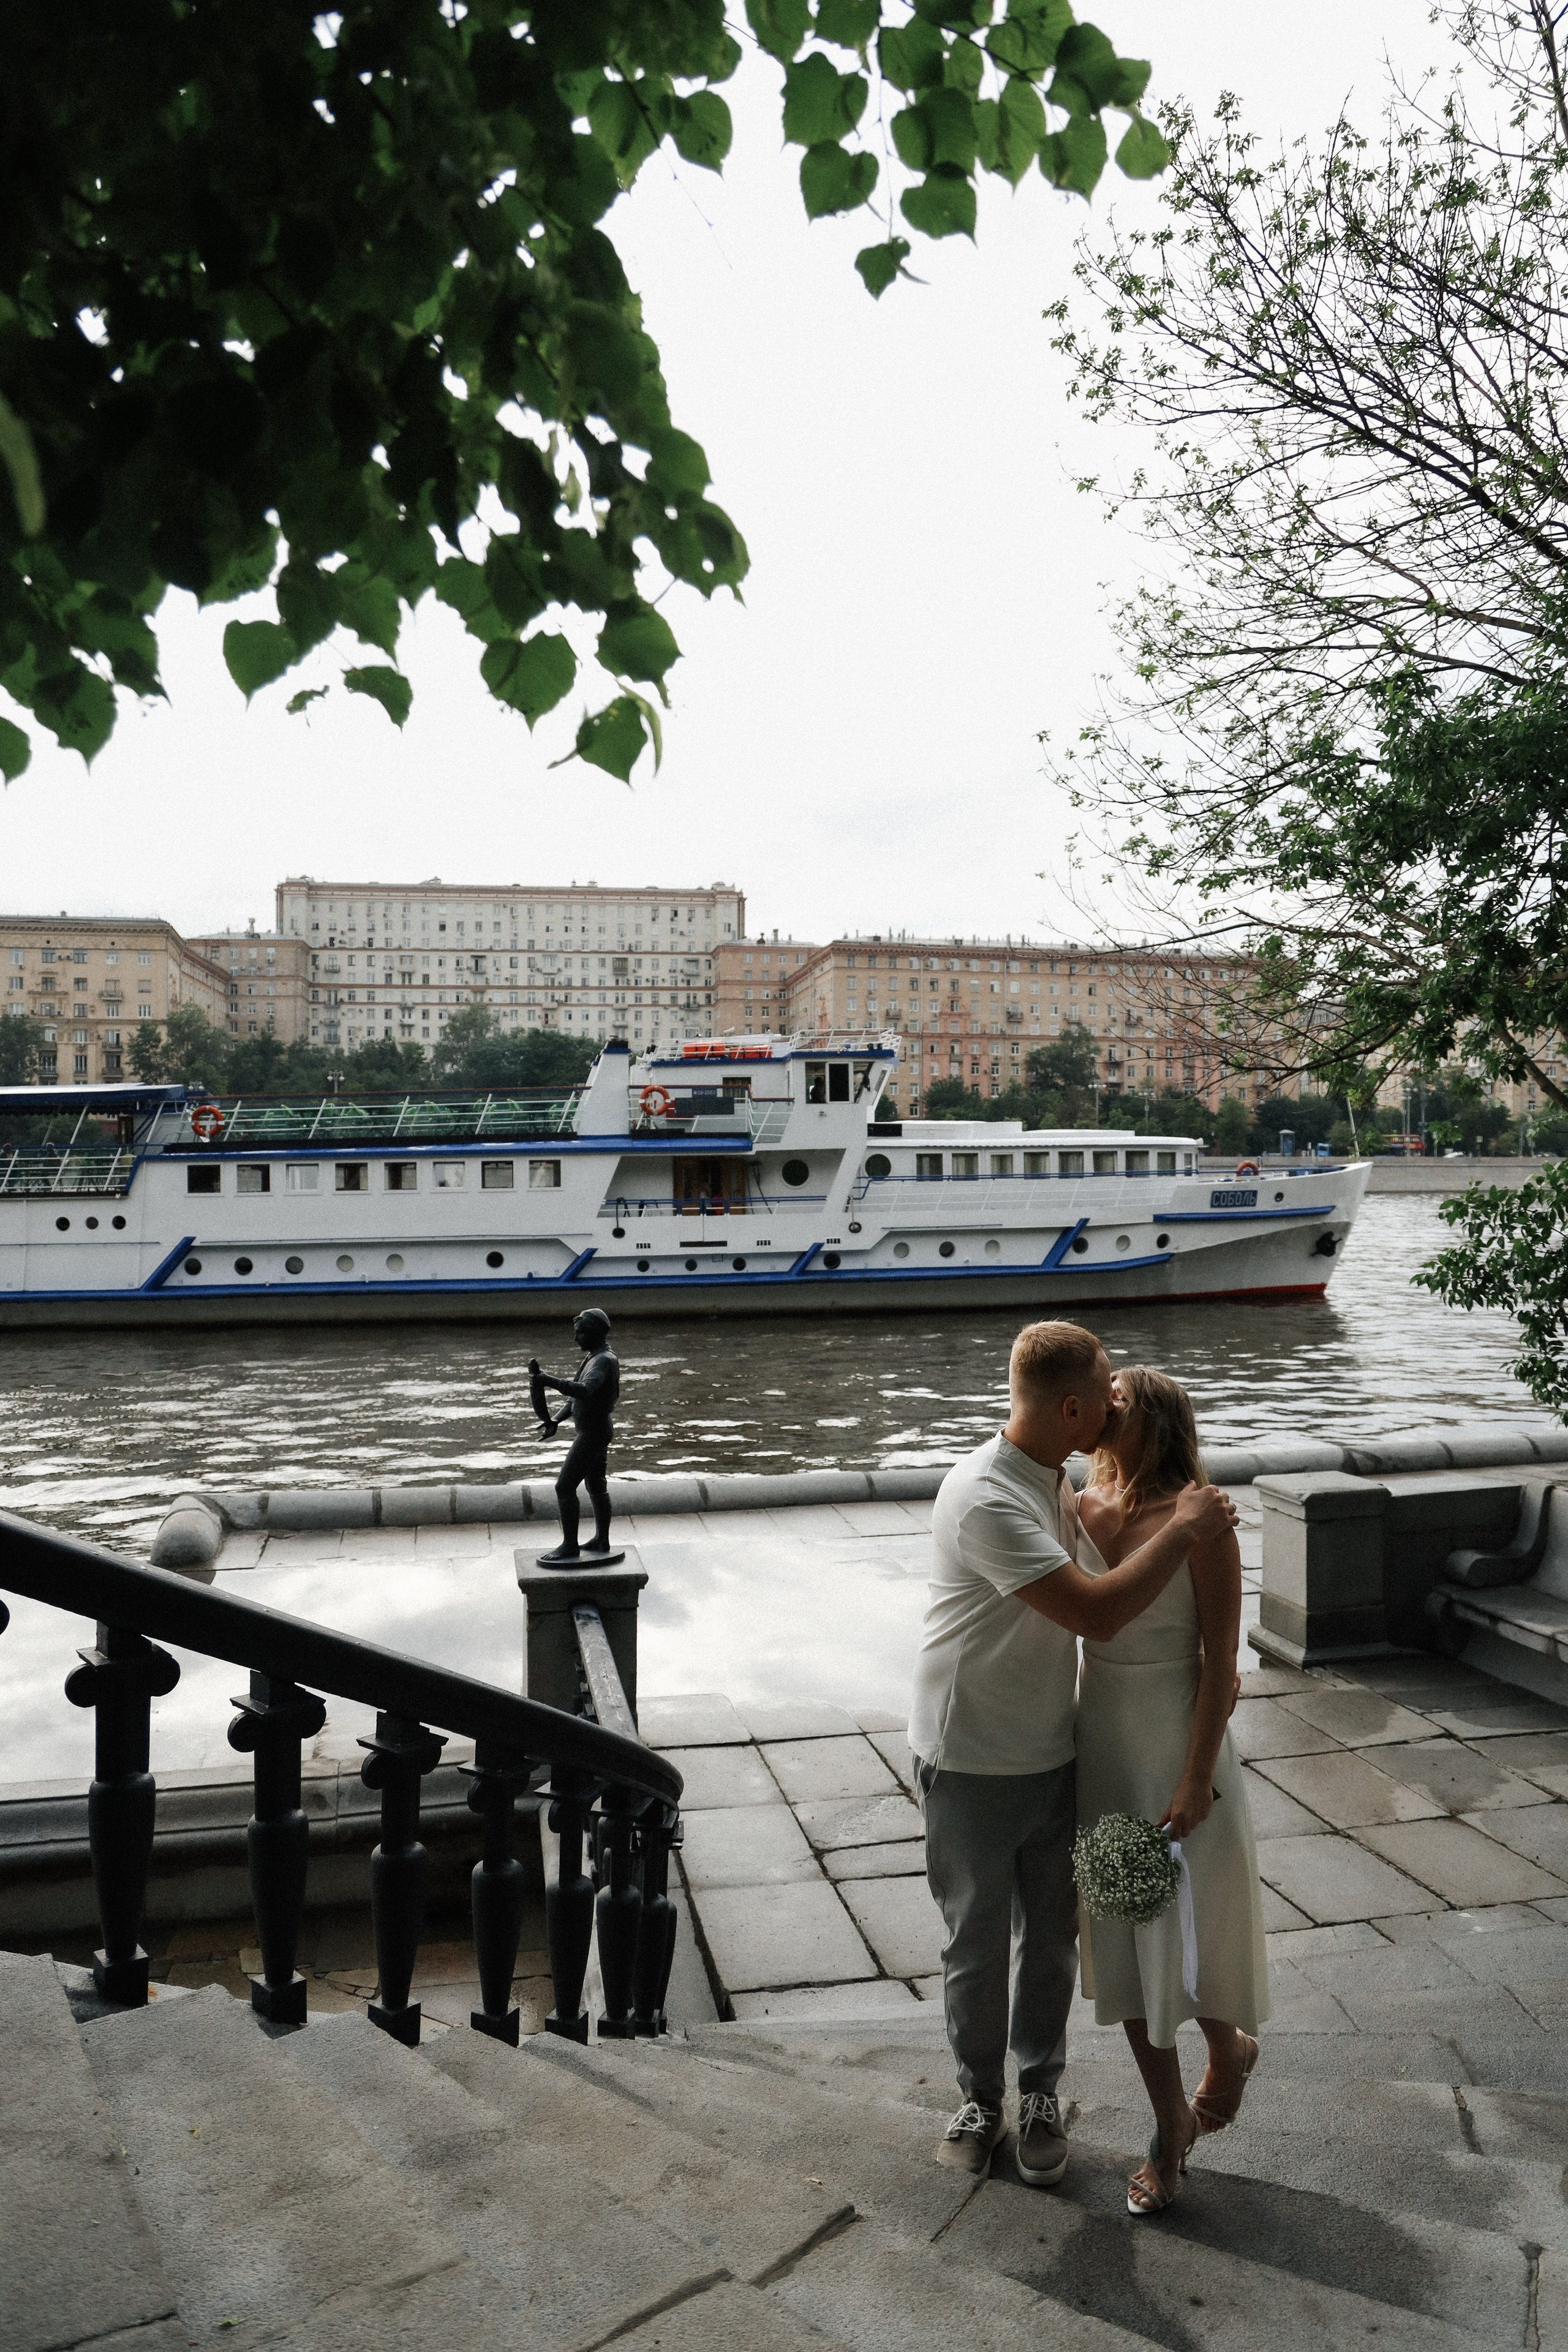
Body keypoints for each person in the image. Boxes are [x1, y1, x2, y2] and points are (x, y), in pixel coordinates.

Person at [908, 1319, 1238, 2187]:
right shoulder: (988, 1496)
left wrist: (1201, 1754)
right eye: (1105, 1392)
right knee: (976, 1945)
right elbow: (1095, 1613)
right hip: (973, 1755)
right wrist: (1186, 1527)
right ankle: (981, 2100)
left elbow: (1218, 1655)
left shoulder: (1056, 1480)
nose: (1116, 1401)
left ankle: (1042, 2094)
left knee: (1056, 1941)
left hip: (1060, 1751)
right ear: (1071, 1407)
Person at [1077, 1365, 1269, 2217]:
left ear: (1147, 1417)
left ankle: (1196, 2092)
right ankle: (1188, 2100)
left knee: (1173, 1935)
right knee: (1122, 1938)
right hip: (1102, 1748)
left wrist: (1197, 1779)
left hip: (1175, 1747)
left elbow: (1220, 1660)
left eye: (1114, 1394)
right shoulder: (1079, 1501)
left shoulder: (1204, 1520)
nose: (1098, 1401)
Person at [530, 1308, 621, 1564]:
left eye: (580, 1333)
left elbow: (584, 1391)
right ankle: (602, 1540)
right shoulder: (594, 1356)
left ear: (592, 1333)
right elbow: (574, 1399)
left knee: (565, 1487)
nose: (576, 1339)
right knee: (596, 1486)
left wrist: (548, 1380)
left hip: (593, 1434)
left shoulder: (603, 1360)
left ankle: (570, 1545)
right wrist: (556, 1420)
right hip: (594, 1430)